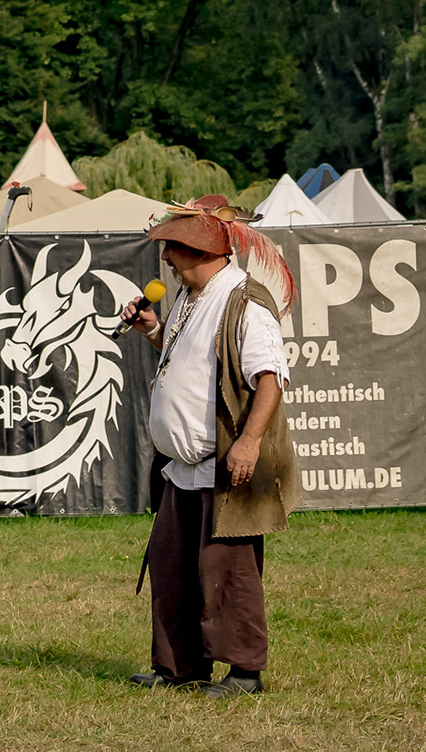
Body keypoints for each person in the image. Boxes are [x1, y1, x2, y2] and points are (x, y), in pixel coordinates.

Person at [123, 196, 297, 698]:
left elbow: (270, 377)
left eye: (174, 247)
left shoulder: (244, 301)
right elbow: (189, 359)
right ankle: (179, 668)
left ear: (202, 250)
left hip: (224, 465)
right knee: (172, 566)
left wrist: (249, 442)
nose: (165, 257)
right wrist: (154, 331)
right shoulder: (189, 296)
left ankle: (244, 674)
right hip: (182, 468)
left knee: (228, 573)